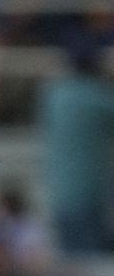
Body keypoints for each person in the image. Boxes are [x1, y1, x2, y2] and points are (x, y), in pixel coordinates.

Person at [38, 41, 114, 252]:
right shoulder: (95, 96)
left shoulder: (54, 94)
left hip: (60, 192)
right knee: (89, 266)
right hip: (87, 195)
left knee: (74, 262)